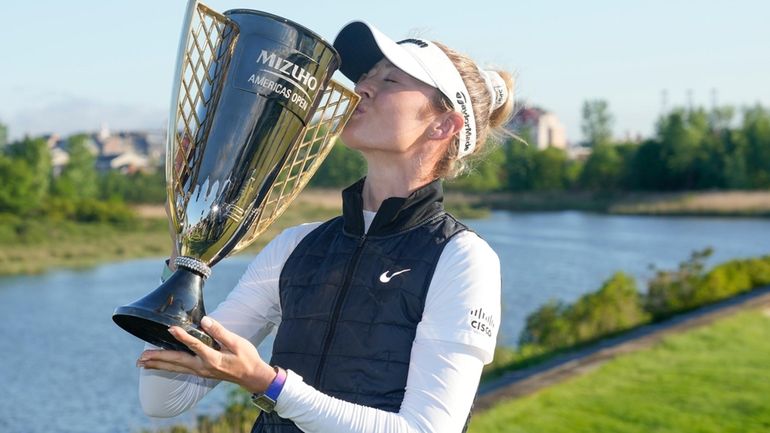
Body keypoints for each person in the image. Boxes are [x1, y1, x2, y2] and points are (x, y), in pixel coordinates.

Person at [136, 20, 514, 433]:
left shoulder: (462, 259)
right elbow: (163, 398)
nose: (362, 88)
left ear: (443, 125)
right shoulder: (297, 245)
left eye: (389, 79)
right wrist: (186, 254)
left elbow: (426, 429)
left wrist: (270, 385)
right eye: (365, 77)